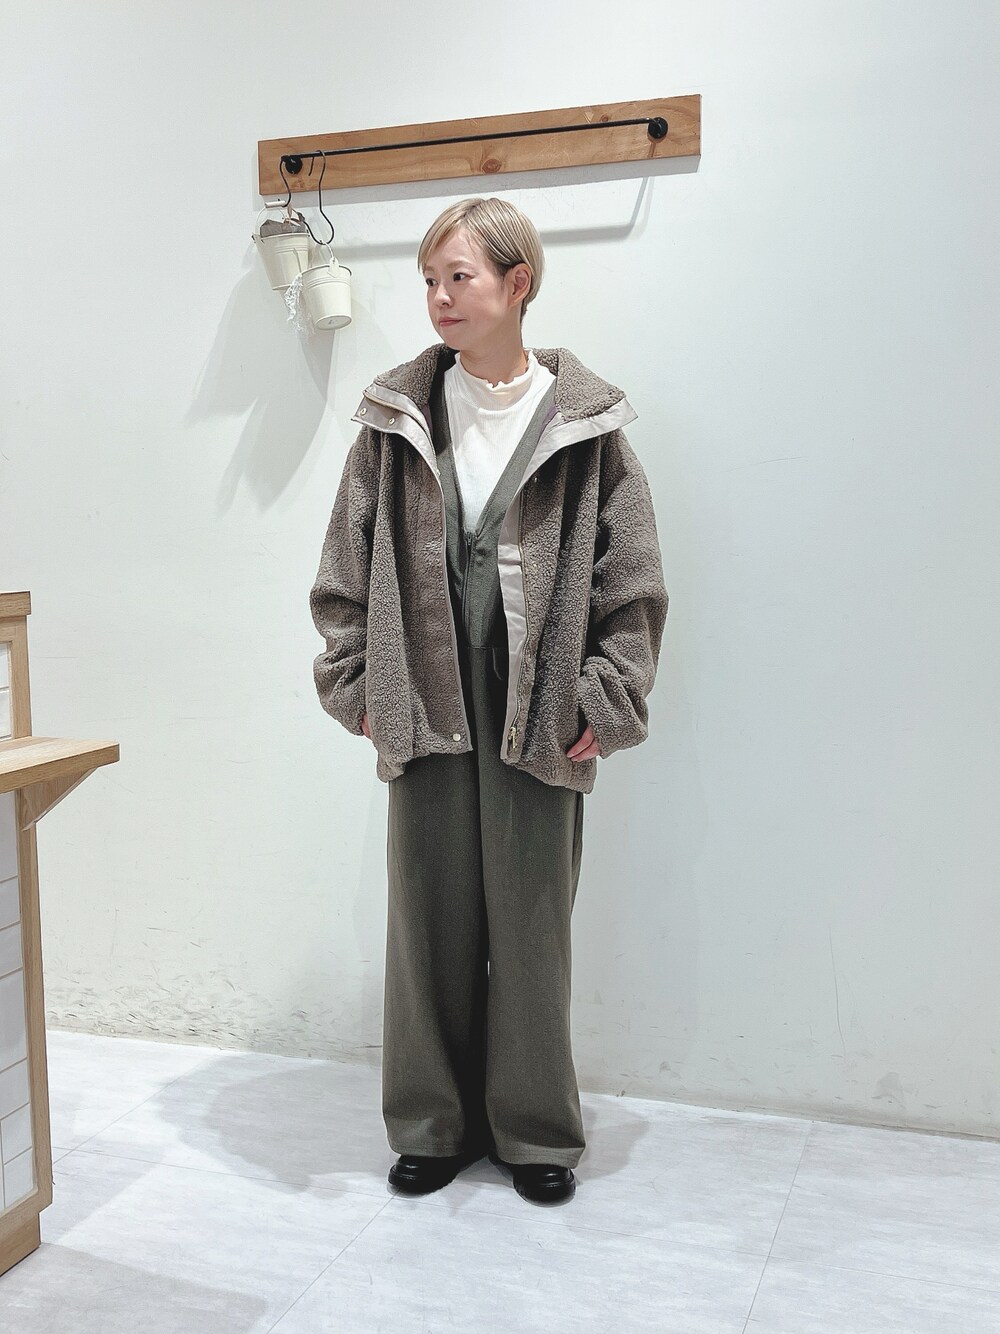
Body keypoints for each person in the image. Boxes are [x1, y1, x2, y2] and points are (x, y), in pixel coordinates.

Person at [310, 197, 667, 1206]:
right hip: (421, 691)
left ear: (518, 283)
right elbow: (343, 571)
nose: (438, 297)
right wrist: (358, 685)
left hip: (542, 704)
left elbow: (632, 581)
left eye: (457, 277)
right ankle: (431, 1124)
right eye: (428, 280)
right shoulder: (395, 421)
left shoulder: (588, 428)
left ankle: (536, 1130)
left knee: (531, 924)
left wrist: (610, 694)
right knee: (427, 921)